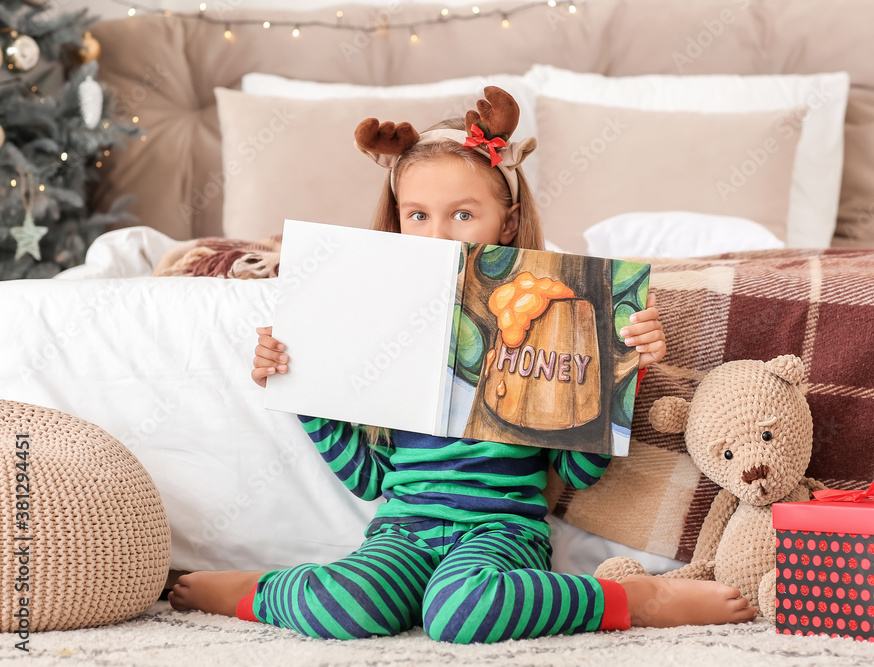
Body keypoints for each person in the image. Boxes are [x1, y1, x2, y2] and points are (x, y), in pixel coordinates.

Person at [168, 88, 756, 642]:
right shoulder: (376, 326)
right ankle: (260, 591)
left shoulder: (554, 310)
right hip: (402, 531)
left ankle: (634, 601)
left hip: (502, 535)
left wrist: (623, 369)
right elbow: (370, 480)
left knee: (465, 613)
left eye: (463, 215)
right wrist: (301, 389)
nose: (437, 234)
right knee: (346, 605)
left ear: (507, 218)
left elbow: (577, 474)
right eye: (417, 215)